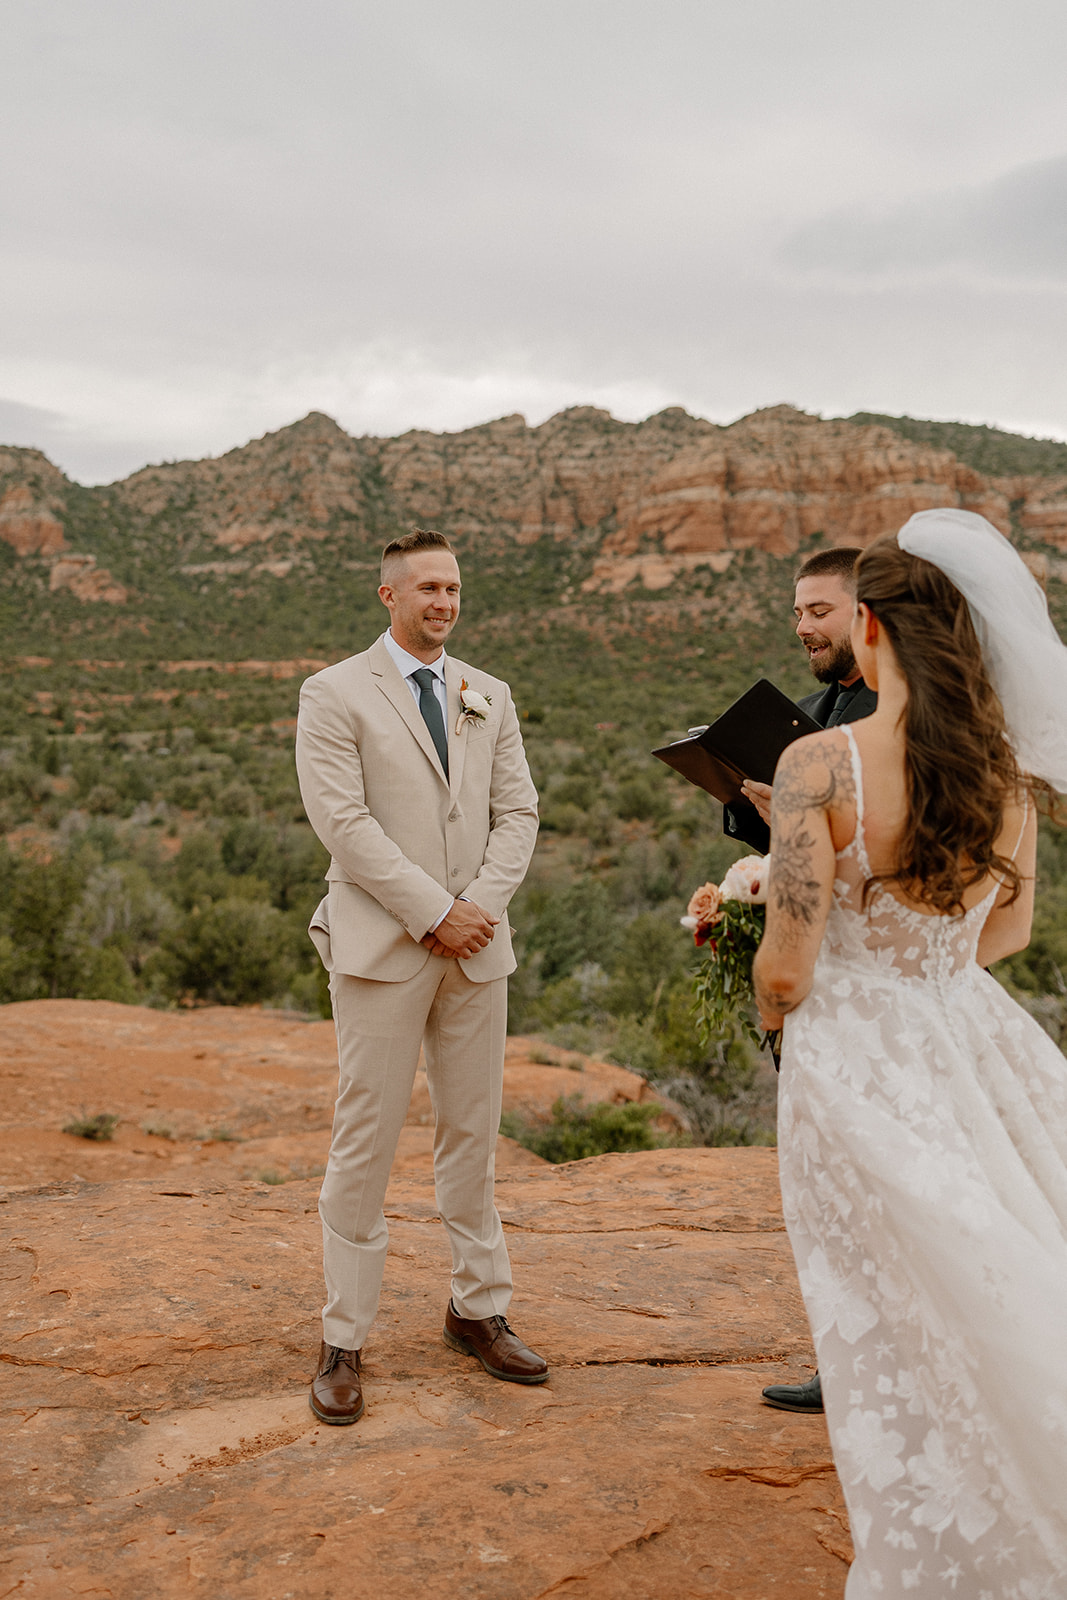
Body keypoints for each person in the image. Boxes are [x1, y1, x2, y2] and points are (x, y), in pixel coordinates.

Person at [753, 509, 1067, 1594]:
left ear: (871, 626)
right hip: (970, 1038)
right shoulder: (1003, 768)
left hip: (856, 1056)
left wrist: (768, 1000)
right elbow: (1007, 935)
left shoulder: (818, 763)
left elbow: (786, 968)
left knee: (888, 1304)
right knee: (992, 1266)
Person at [295, 528, 546, 1425]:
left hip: (478, 949)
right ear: (388, 596)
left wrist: (474, 906)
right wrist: (432, 911)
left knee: (472, 1132)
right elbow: (342, 821)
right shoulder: (331, 693)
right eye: (426, 588)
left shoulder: (489, 694)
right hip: (383, 947)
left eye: (452, 588)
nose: (442, 602)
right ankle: (343, 1337)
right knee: (365, 1136)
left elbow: (517, 810)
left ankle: (477, 1310)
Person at [727, 547, 876, 1414]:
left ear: (868, 614)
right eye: (795, 612)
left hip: (858, 976)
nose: (801, 627)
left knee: (864, 1179)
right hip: (825, 966)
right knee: (830, 1181)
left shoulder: (898, 719)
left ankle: (861, 1362)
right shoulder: (814, 714)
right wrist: (760, 811)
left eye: (816, 611)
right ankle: (849, 1350)